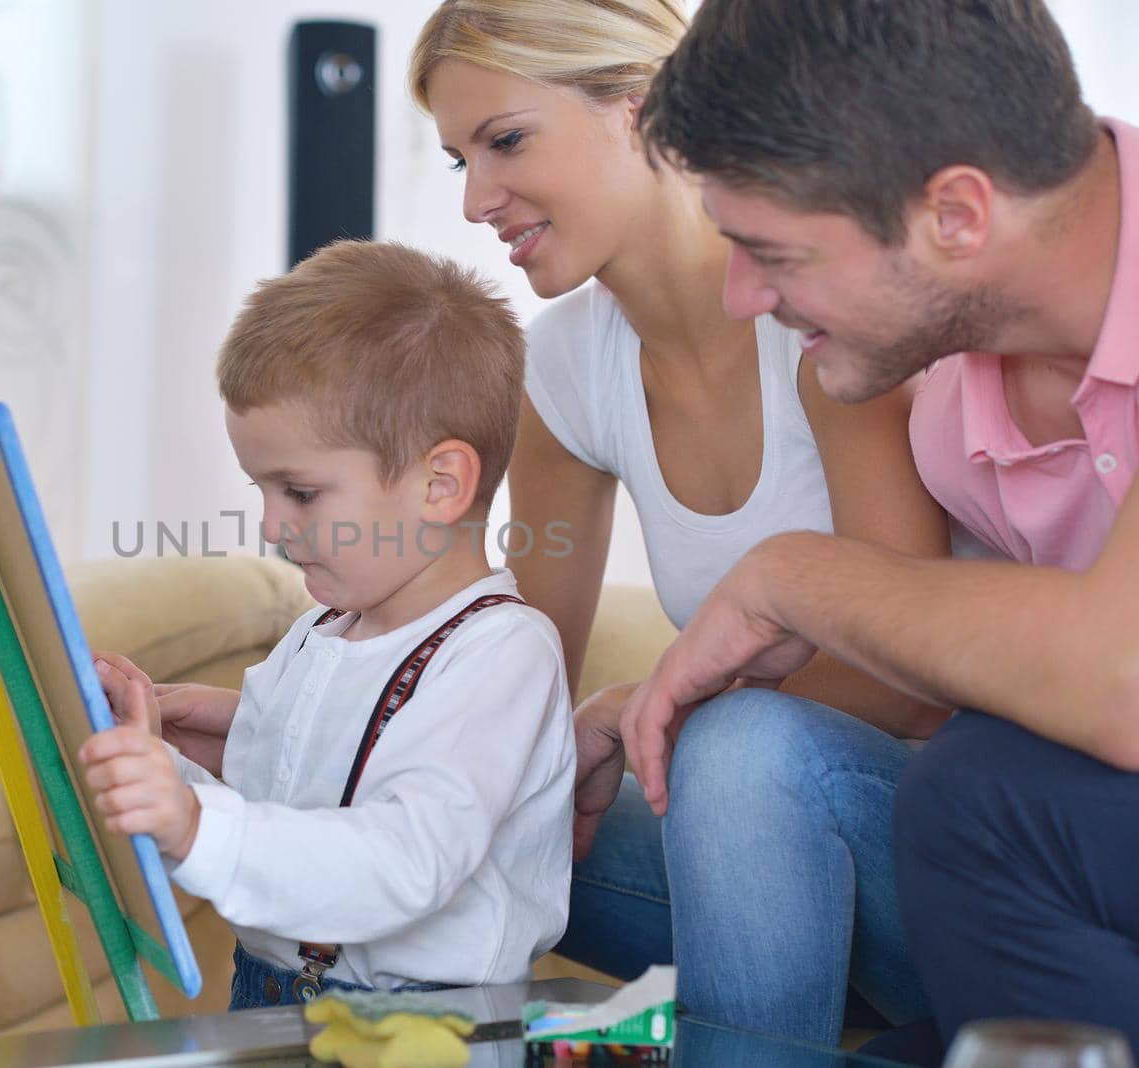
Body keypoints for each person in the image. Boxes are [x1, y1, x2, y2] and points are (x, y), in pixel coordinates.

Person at [406, 0, 952, 1048]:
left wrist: (659, 701)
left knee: (740, 748)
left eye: (506, 140)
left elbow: (907, 676)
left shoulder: (817, 305)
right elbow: (514, 678)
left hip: (939, 860)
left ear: (638, 107)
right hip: (757, 871)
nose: (478, 198)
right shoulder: (564, 368)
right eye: (458, 160)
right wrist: (284, 754)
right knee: (426, 843)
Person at [622, 0, 1139, 1055]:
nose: (739, 297)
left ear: (954, 215)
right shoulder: (945, 382)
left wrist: (788, 576)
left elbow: (1121, 679)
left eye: (770, 252)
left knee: (986, 794)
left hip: (1034, 825)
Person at [79, 239, 576, 1010]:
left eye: (300, 493)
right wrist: (154, 764)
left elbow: (403, 861)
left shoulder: (501, 653)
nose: (272, 527)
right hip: (272, 990)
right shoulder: (320, 632)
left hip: (425, 1033)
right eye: (262, 490)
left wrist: (190, 821)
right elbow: (279, 817)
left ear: (440, 483)